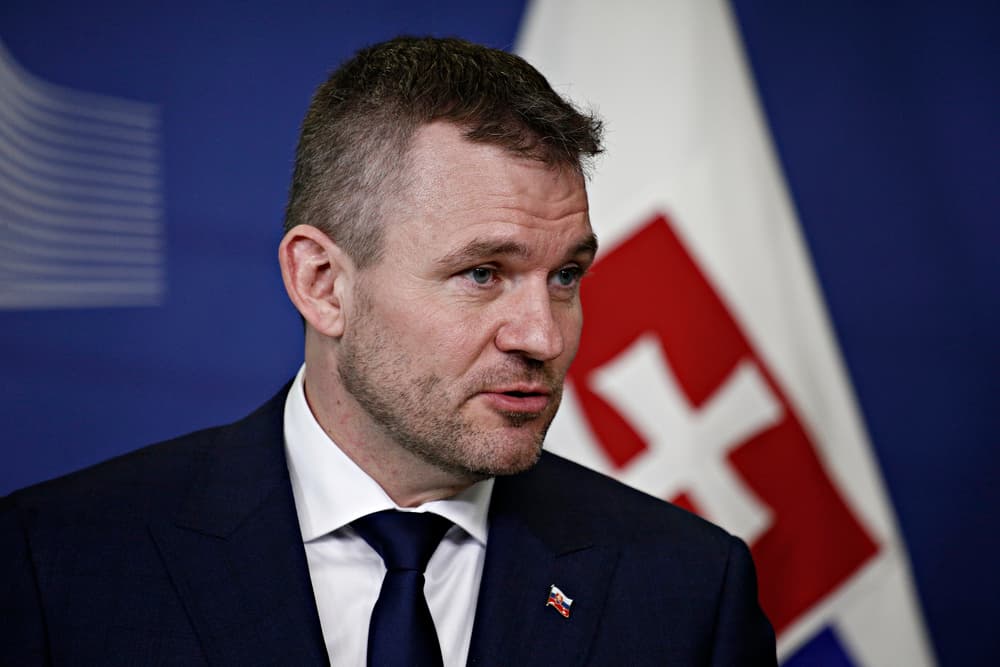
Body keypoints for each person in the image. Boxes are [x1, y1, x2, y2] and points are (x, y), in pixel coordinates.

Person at [0, 37, 776, 666]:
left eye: (566, 275)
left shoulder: (686, 587)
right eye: (483, 273)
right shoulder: (54, 564)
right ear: (323, 282)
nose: (543, 336)